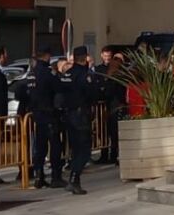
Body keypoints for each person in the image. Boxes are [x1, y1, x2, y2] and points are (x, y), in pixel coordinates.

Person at [60, 47, 98, 194]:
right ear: (84, 58)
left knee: (76, 148)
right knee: (84, 150)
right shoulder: (84, 75)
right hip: (80, 115)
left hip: (68, 115)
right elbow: (91, 94)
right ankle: (74, 179)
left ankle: (74, 179)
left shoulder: (67, 74)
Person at [26, 56, 61, 188]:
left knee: (40, 147)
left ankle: (39, 175)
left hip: (37, 114)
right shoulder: (47, 72)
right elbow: (57, 88)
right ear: (47, 56)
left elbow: (24, 91)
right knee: (55, 145)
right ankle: (55, 176)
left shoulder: (31, 73)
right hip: (49, 113)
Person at [94, 47, 126, 165]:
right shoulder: (99, 69)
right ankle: (104, 155)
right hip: (104, 104)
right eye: (105, 55)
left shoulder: (120, 72)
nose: (107, 58)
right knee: (103, 131)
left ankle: (113, 155)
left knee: (113, 131)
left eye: (109, 56)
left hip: (114, 104)